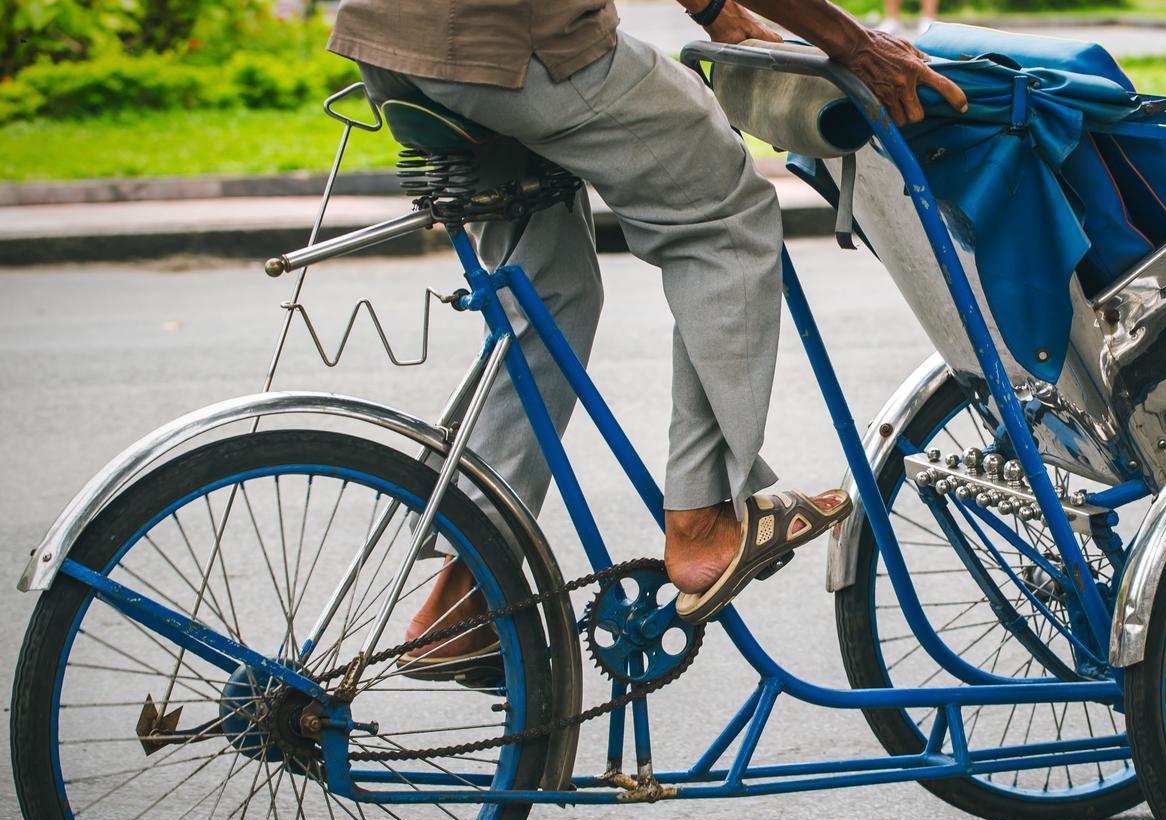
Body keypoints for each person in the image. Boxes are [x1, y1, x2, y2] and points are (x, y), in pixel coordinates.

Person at [326, 0, 968, 671]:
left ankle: (463, 598)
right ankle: (702, 524)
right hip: (509, 37)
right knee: (724, 216)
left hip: (397, 37)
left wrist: (715, 9)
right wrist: (850, 43)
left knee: (547, 292)